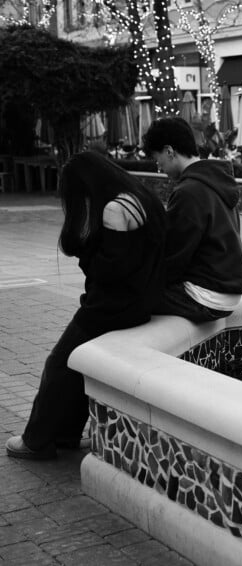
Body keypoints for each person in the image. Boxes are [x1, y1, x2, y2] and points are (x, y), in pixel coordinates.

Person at [6, 152, 167, 460]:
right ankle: (65, 436)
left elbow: (109, 272)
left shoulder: (114, 210)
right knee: (78, 368)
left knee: (58, 366)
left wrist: (84, 250)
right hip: (138, 305)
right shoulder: (143, 198)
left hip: (108, 309)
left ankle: (37, 441)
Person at [142, 117, 242, 323]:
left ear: (169, 151)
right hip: (228, 291)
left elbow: (174, 256)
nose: (161, 169)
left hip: (205, 296)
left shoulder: (189, 191)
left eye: (159, 161)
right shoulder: (218, 180)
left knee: (126, 296)